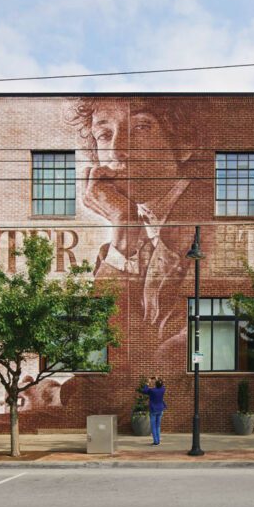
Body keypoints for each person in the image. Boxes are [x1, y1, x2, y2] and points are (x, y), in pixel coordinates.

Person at [65, 98, 212, 342]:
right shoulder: (119, 244)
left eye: (141, 128)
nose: (116, 150)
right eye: (104, 134)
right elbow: (99, 350)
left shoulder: (214, 222)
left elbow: (179, 354)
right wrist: (123, 226)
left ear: (183, 142)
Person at [140, 376, 167, 445]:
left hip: (153, 410)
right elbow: (161, 385)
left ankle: (156, 441)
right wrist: (157, 379)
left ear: (155, 384)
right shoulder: (163, 390)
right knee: (158, 426)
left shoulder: (152, 390)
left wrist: (148, 383)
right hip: (160, 409)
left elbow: (144, 390)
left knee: (153, 426)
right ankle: (158, 440)